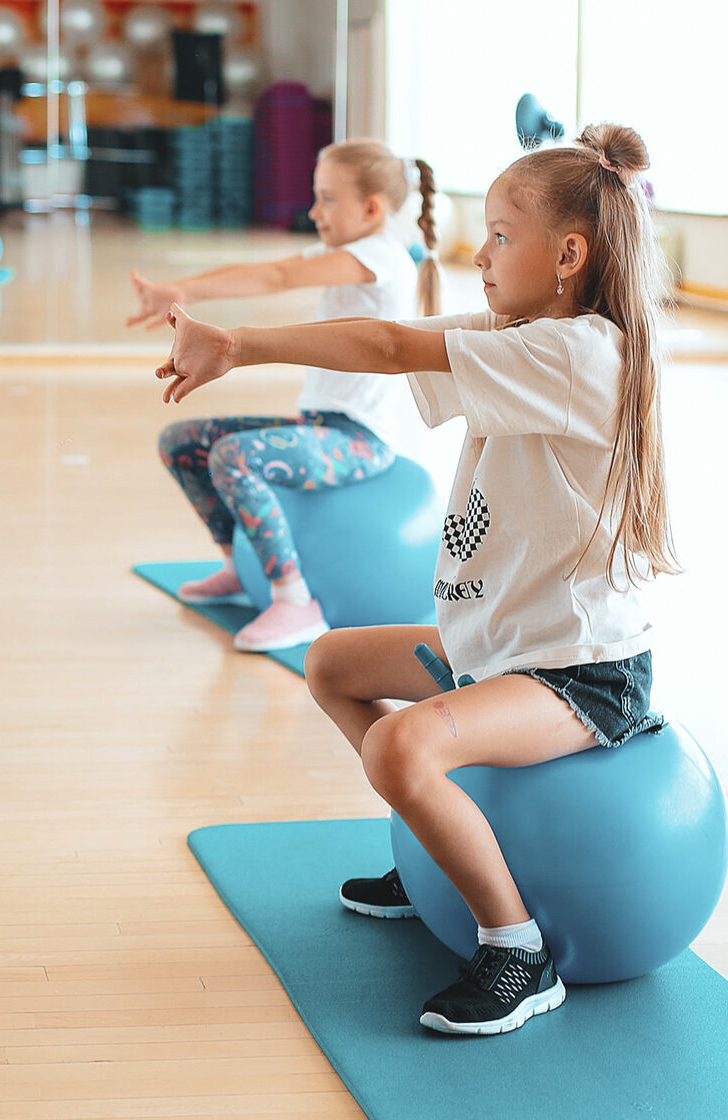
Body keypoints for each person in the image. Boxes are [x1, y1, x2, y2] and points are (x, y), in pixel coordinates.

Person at [157, 124, 675, 1035]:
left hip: (577, 675)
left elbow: (395, 344)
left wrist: (236, 343)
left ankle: (519, 949)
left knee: (403, 749)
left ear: (568, 254)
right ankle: (440, 855)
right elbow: (376, 338)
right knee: (331, 665)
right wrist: (244, 346)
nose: (481, 254)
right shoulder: (520, 330)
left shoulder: (580, 352)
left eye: (501, 237)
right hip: (499, 648)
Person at [137, 140, 439, 651]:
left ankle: (294, 600)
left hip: (362, 440)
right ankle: (238, 567)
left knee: (235, 457)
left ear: (371, 209)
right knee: (182, 442)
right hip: (317, 424)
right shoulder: (347, 251)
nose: (313, 211)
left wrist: (190, 293)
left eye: (327, 199)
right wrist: (181, 289)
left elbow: (280, 276)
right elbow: (265, 272)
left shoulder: (381, 255)